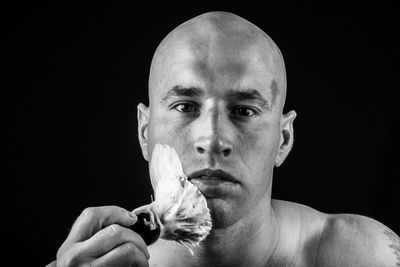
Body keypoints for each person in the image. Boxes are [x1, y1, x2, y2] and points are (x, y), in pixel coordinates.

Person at [48, 11, 400, 267]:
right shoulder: (97, 263)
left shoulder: (363, 255)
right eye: (185, 106)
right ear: (144, 132)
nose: (213, 139)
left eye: (244, 110)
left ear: (284, 138)